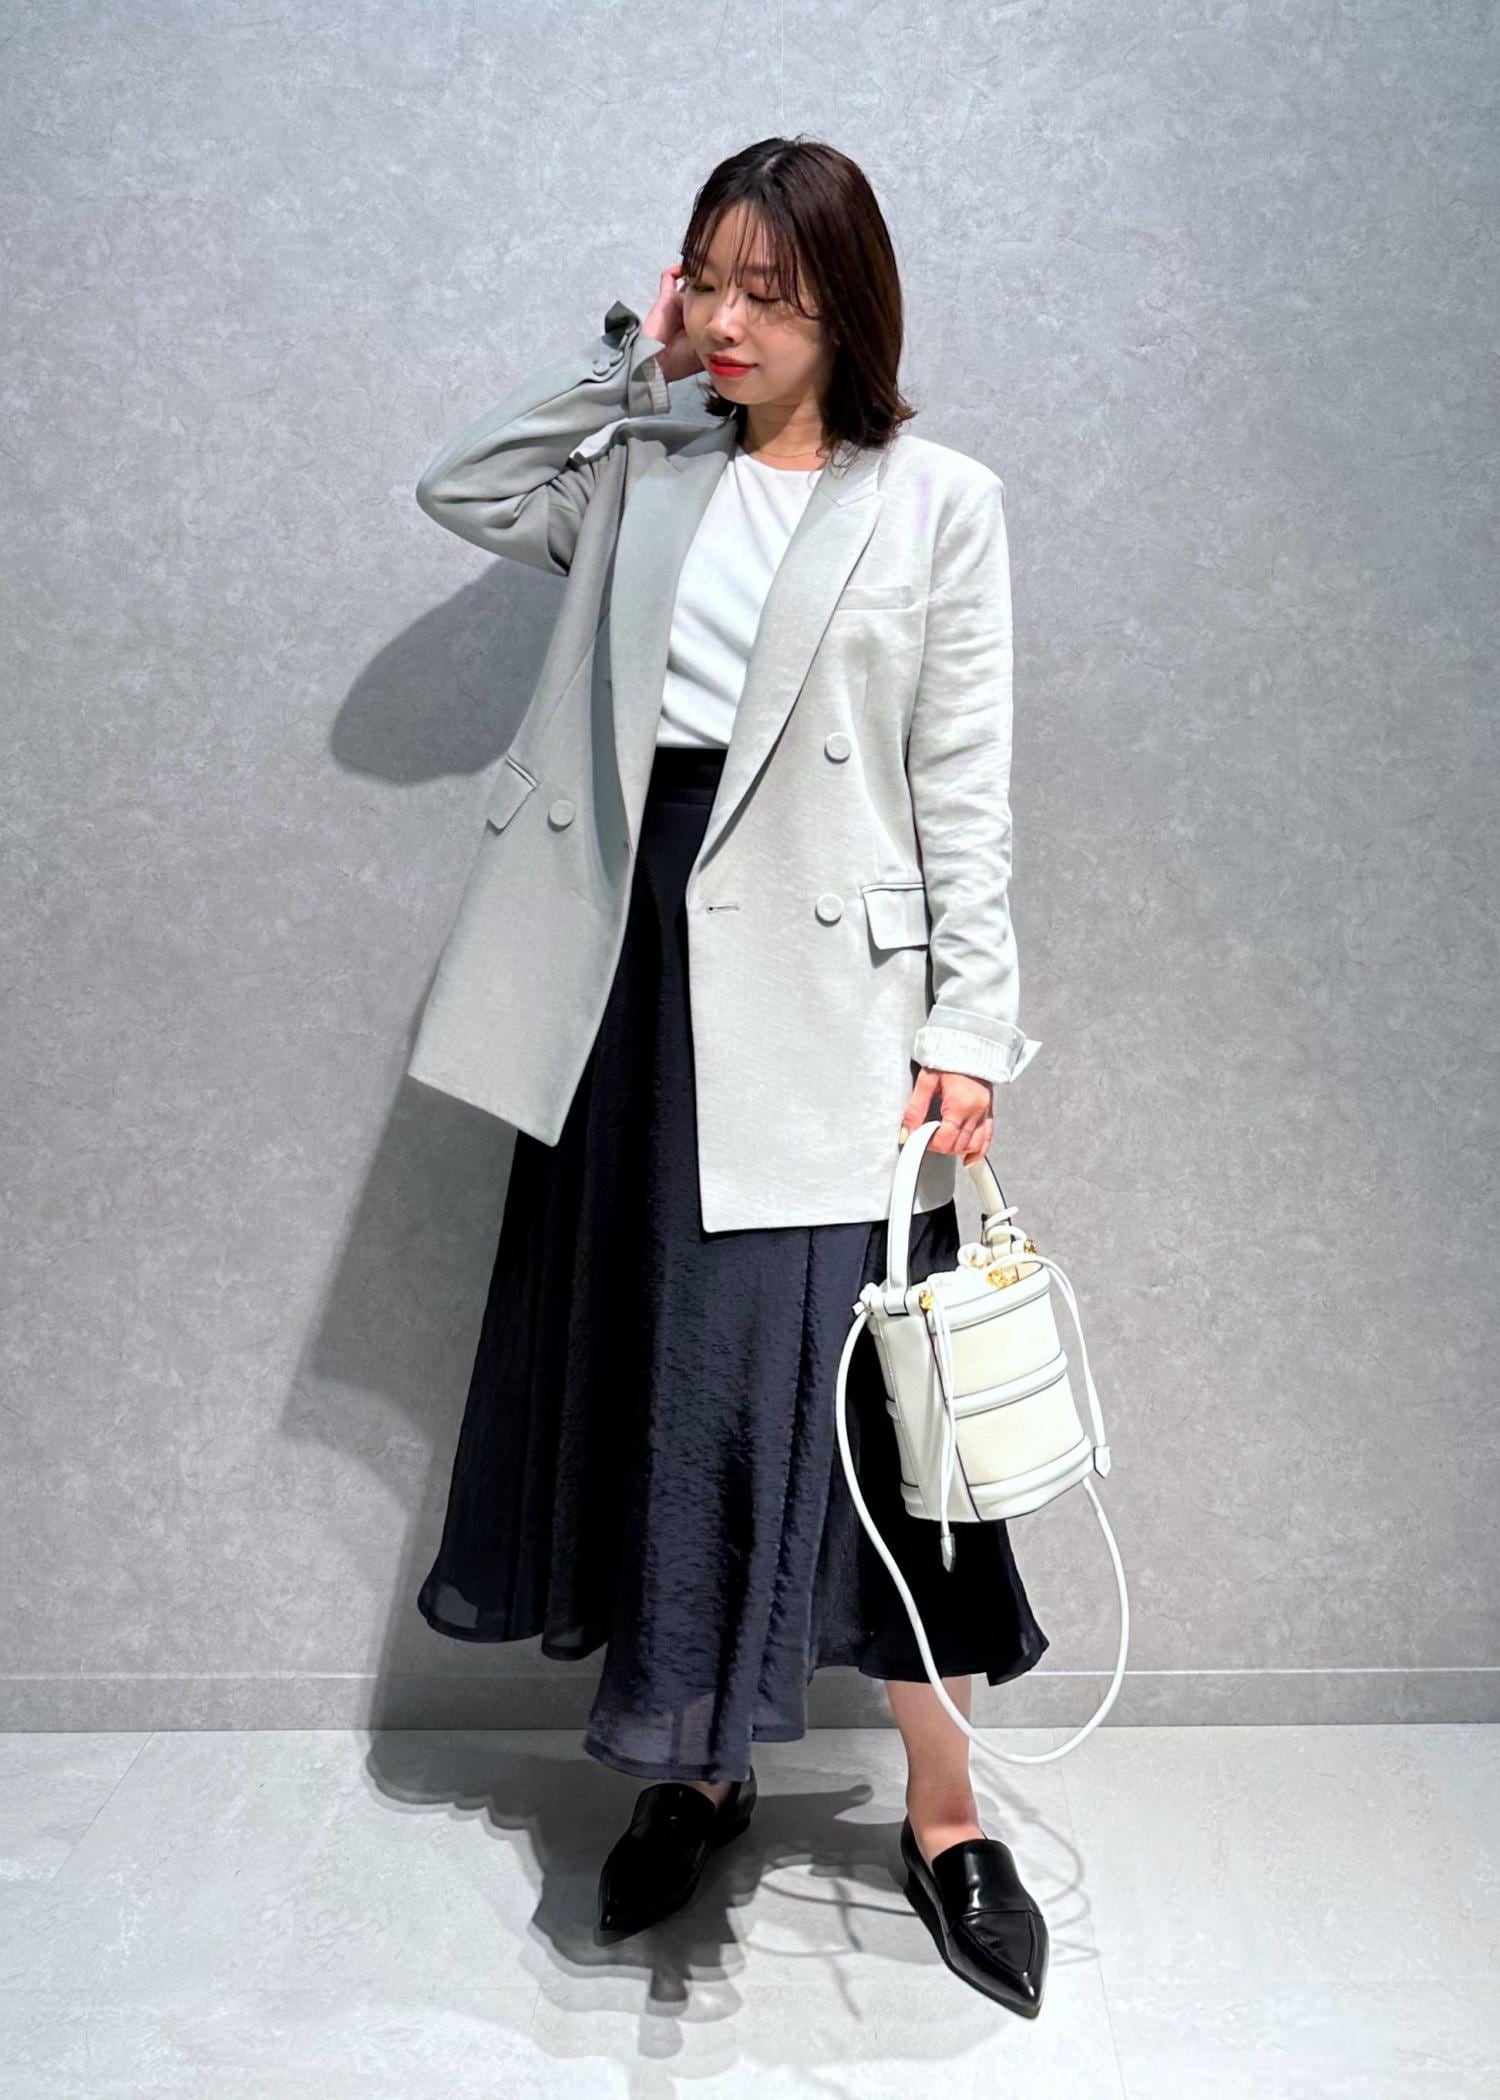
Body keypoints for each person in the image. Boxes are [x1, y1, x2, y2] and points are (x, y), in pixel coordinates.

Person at [412, 136, 1050, 2016]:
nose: (736, 321)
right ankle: (695, 1767)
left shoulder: (935, 502)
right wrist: (635, 361)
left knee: (870, 1419)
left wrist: (967, 1031)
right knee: (670, 1380)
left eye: (774, 291)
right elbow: (463, 486)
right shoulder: (647, 470)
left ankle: (947, 1812)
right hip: (633, 970)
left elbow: (964, 783)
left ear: (851, 303)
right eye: (710, 279)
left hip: (830, 994)